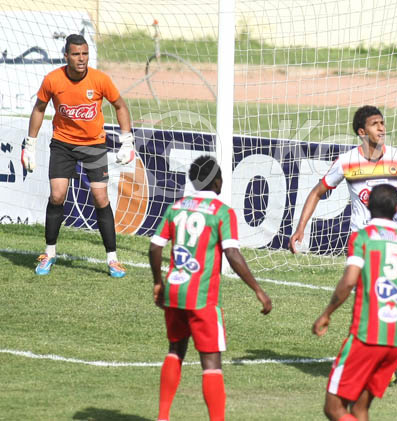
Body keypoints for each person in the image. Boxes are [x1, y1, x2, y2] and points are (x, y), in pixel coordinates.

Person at [149, 155, 272, 421]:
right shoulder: (221, 212)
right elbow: (233, 254)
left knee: (175, 350)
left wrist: (158, 282)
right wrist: (257, 290)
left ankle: (162, 416)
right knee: (211, 363)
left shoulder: (176, 207)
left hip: (174, 291)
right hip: (201, 298)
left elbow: (155, 246)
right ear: (217, 182)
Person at [313, 184, 397, 421]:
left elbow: (349, 281)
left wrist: (327, 313)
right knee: (360, 409)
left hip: (366, 336)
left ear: (368, 206)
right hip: (394, 340)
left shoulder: (363, 238)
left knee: (333, 408)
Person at [22, 33, 135, 277]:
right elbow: (39, 109)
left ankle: (113, 259)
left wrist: (127, 141)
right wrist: (29, 144)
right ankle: (49, 253)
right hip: (62, 144)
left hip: (94, 145)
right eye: (76, 54)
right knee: (57, 195)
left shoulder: (100, 79)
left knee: (100, 197)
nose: (81, 58)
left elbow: (120, 106)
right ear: (66, 56)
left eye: (85, 53)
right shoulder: (53, 80)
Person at [290, 105, 397, 252]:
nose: (381, 128)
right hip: (363, 240)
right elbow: (316, 193)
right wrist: (300, 228)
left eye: (382, 123)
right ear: (362, 132)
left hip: (396, 238)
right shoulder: (346, 161)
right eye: (375, 124)